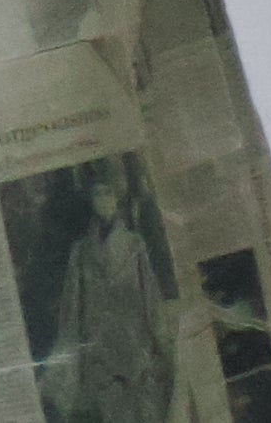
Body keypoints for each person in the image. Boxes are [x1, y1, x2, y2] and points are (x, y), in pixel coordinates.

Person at [41, 157, 177, 423]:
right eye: (97, 195)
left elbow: (150, 298)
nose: (103, 201)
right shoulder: (81, 252)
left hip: (135, 348)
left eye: (108, 194)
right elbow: (72, 309)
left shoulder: (134, 245)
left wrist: (162, 344)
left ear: (117, 199)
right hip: (100, 355)